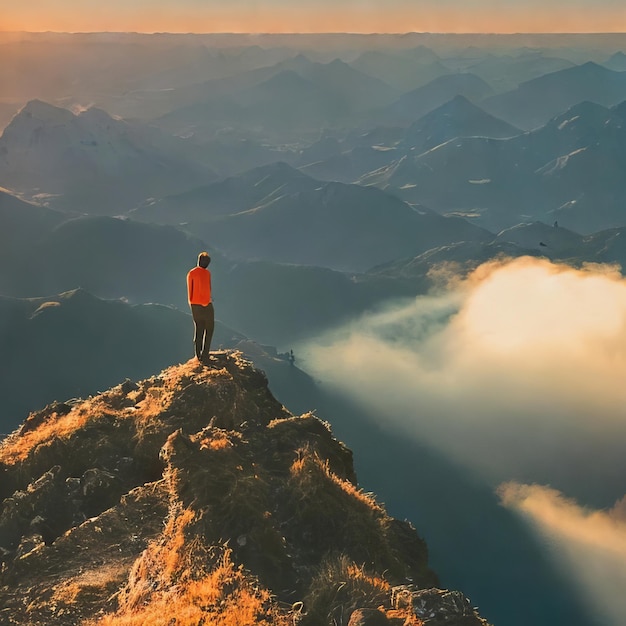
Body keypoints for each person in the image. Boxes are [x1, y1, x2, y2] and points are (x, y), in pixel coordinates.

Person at [187, 252, 214, 363]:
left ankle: (198, 355)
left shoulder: (191, 273)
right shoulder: (207, 273)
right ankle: (205, 354)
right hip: (206, 305)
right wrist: (207, 301)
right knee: (209, 329)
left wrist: (192, 302)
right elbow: (207, 289)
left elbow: (190, 289)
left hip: (194, 305)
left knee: (199, 329)